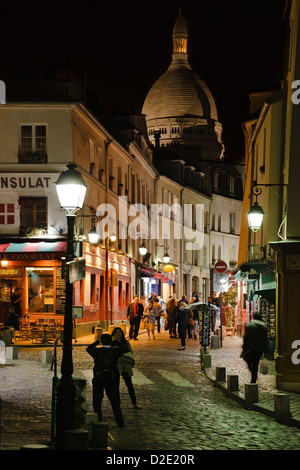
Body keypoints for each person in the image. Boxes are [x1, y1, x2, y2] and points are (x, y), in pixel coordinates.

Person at [86, 333, 126, 427]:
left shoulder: (96, 351)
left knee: (97, 401)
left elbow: (88, 348)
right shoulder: (115, 351)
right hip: (111, 379)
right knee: (114, 401)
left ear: (102, 341)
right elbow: (124, 349)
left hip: (98, 378)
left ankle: (98, 420)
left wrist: (97, 341)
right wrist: (115, 341)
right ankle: (120, 421)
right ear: (110, 342)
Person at [111, 327, 142, 409]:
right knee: (115, 385)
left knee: (129, 384)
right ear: (113, 334)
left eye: (119, 332)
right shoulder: (112, 343)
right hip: (116, 365)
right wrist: (117, 358)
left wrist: (123, 358)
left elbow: (130, 352)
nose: (118, 334)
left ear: (122, 334)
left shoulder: (126, 342)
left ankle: (134, 403)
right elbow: (109, 354)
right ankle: (117, 403)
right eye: (116, 332)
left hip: (125, 365)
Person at [241, 312, 269, 384]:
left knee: (248, 360)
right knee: (255, 364)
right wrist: (266, 351)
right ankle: (254, 378)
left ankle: (253, 376)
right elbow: (266, 340)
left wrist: (244, 349)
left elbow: (246, 338)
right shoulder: (264, 327)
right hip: (259, 349)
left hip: (251, 349)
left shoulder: (249, 326)